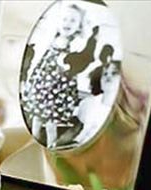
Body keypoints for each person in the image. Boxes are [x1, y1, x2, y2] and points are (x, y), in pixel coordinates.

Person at [20, 1, 98, 149]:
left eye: (73, 21)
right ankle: (32, 145)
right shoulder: (52, 37)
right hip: (43, 86)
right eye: (65, 19)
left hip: (59, 90)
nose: (67, 23)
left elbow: (81, 57)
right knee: (36, 119)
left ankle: (51, 146)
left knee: (51, 123)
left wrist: (86, 25)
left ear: (79, 25)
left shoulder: (76, 43)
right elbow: (40, 60)